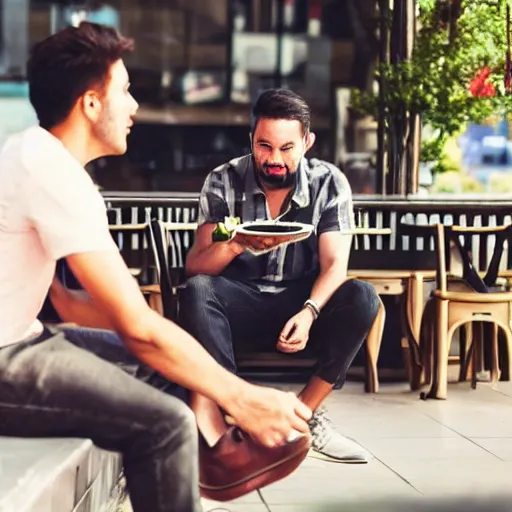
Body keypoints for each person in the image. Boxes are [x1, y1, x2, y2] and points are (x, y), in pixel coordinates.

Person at [0, 23, 312, 512]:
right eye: (124, 91)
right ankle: (188, 459)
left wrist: (170, 344)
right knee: (163, 424)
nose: (134, 107)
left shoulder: (38, 158)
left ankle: (211, 461)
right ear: (90, 104)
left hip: (27, 336)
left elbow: (65, 302)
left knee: (173, 365)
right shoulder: (49, 170)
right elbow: (134, 325)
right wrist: (241, 396)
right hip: (6, 355)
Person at [180, 88, 381, 463]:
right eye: (264, 146)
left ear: (307, 142)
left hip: (299, 306)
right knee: (197, 289)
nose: (274, 159)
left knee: (363, 296)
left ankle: (301, 419)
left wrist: (309, 312)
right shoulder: (223, 180)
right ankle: (236, 417)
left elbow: (335, 264)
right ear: (251, 139)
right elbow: (196, 266)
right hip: (239, 303)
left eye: (287, 148)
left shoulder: (329, 182)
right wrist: (237, 243)